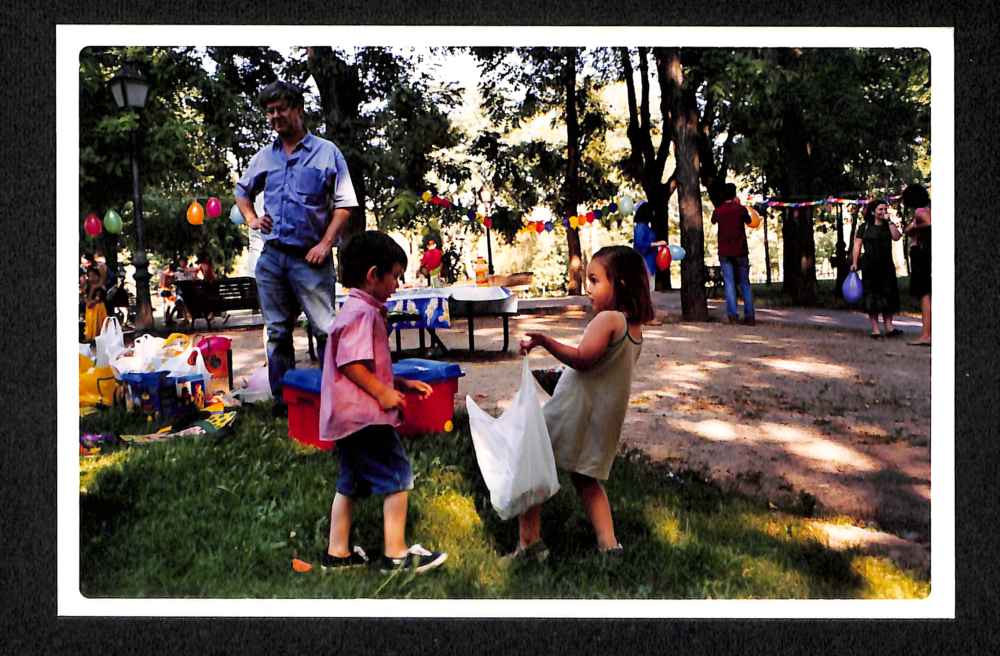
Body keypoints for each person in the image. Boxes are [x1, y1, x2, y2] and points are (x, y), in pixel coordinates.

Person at [512, 245, 654, 560]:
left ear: (620, 284)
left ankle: (529, 543)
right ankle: (609, 545)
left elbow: (583, 360)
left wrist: (545, 341)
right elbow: (604, 372)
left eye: (594, 280)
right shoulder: (634, 329)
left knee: (531, 462)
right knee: (586, 479)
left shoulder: (607, 320)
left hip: (575, 412)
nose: (587, 288)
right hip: (602, 416)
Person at [318, 231, 448, 574]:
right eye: (395, 276)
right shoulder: (363, 313)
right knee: (398, 475)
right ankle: (396, 554)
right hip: (366, 418)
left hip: (347, 419)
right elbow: (352, 364)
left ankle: (338, 552)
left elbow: (364, 363)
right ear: (373, 274)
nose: (397, 283)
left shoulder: (356, 309)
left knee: (351, 483)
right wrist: (384, 393)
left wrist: (399, 381)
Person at [234, 80, 358, 415]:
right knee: (277, 332)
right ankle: (285, 403)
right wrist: (251, 218)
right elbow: (242, 191)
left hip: (311, 258)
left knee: (325, 329)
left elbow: (345, 205)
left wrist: (325, 243)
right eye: (269, 111)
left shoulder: (327, 152)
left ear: (298, 109)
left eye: (281, 109)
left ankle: (333, 397)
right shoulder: (264, 157)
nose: (275, 116)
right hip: (272, 258)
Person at [851, 198, 903, 339]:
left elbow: (897, 237)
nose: (883, 212)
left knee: (889, 294)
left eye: (885, 209)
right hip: (870, 266)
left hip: (886, 265)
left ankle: (889, 327)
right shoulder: (864, 227)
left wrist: (890, 221)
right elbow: (857, 245)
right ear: (873, 211)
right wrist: (854, 262)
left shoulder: (888, 225)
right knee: (872, 296)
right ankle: (875, 329)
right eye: (880, 209)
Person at [710, 182, 755, 325]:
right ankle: (749, 315)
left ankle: (732, 315)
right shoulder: (740, 209)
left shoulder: (719, 210)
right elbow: (749, 221)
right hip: (740, 251)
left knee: (729, 283)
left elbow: (713, 221)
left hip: (724, 252)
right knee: (744, 283)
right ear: (735, 194)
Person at [901, 184, 931, 346]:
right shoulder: (928, 208)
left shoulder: (920, 211)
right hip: (924, 253)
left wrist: (914, 226)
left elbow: (929, 225)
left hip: (921, 254)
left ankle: (926, 335)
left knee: (925, 295)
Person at [631, 201, 667, 293]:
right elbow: (640, 244)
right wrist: (657, 244)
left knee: (649, 290)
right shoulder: (640, 227)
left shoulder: (646, 227)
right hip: (644, 263)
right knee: (646, 291)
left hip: (650, 262)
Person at [82, 266, 108, 342]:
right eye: (90, 276)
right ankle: (90, 337)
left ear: (98, 276)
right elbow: (85, 295)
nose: (92, 278)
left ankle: (98, 338)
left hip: (98, 306)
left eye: (94, 275)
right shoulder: (88, 286)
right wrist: (86, 301)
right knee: (90, 322)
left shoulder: (100, 286)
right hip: (90, 308)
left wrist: (92, 302)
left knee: (98, 322)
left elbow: (98, 297)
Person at [158, 261, 178, 326]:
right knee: (167, 306)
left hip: (168, 290)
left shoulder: (170, 275)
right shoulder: (164, 274)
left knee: (170, 306)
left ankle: (169, 319)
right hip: (164, 291)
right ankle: (166, 320)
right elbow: (163, 284)